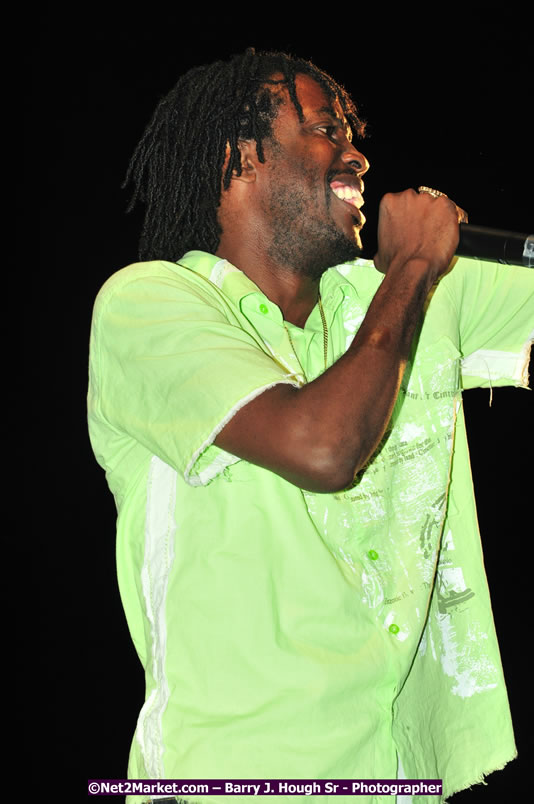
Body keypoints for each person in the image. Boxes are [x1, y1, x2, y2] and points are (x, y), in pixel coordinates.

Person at [88, 49, 533, 803]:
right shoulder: (148, 305)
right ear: (239, 157)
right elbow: (322, 447)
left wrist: (417, 275)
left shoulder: (395, 301)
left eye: (351, 134)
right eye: (327, 130)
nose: (357, 156)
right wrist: (413, 266)